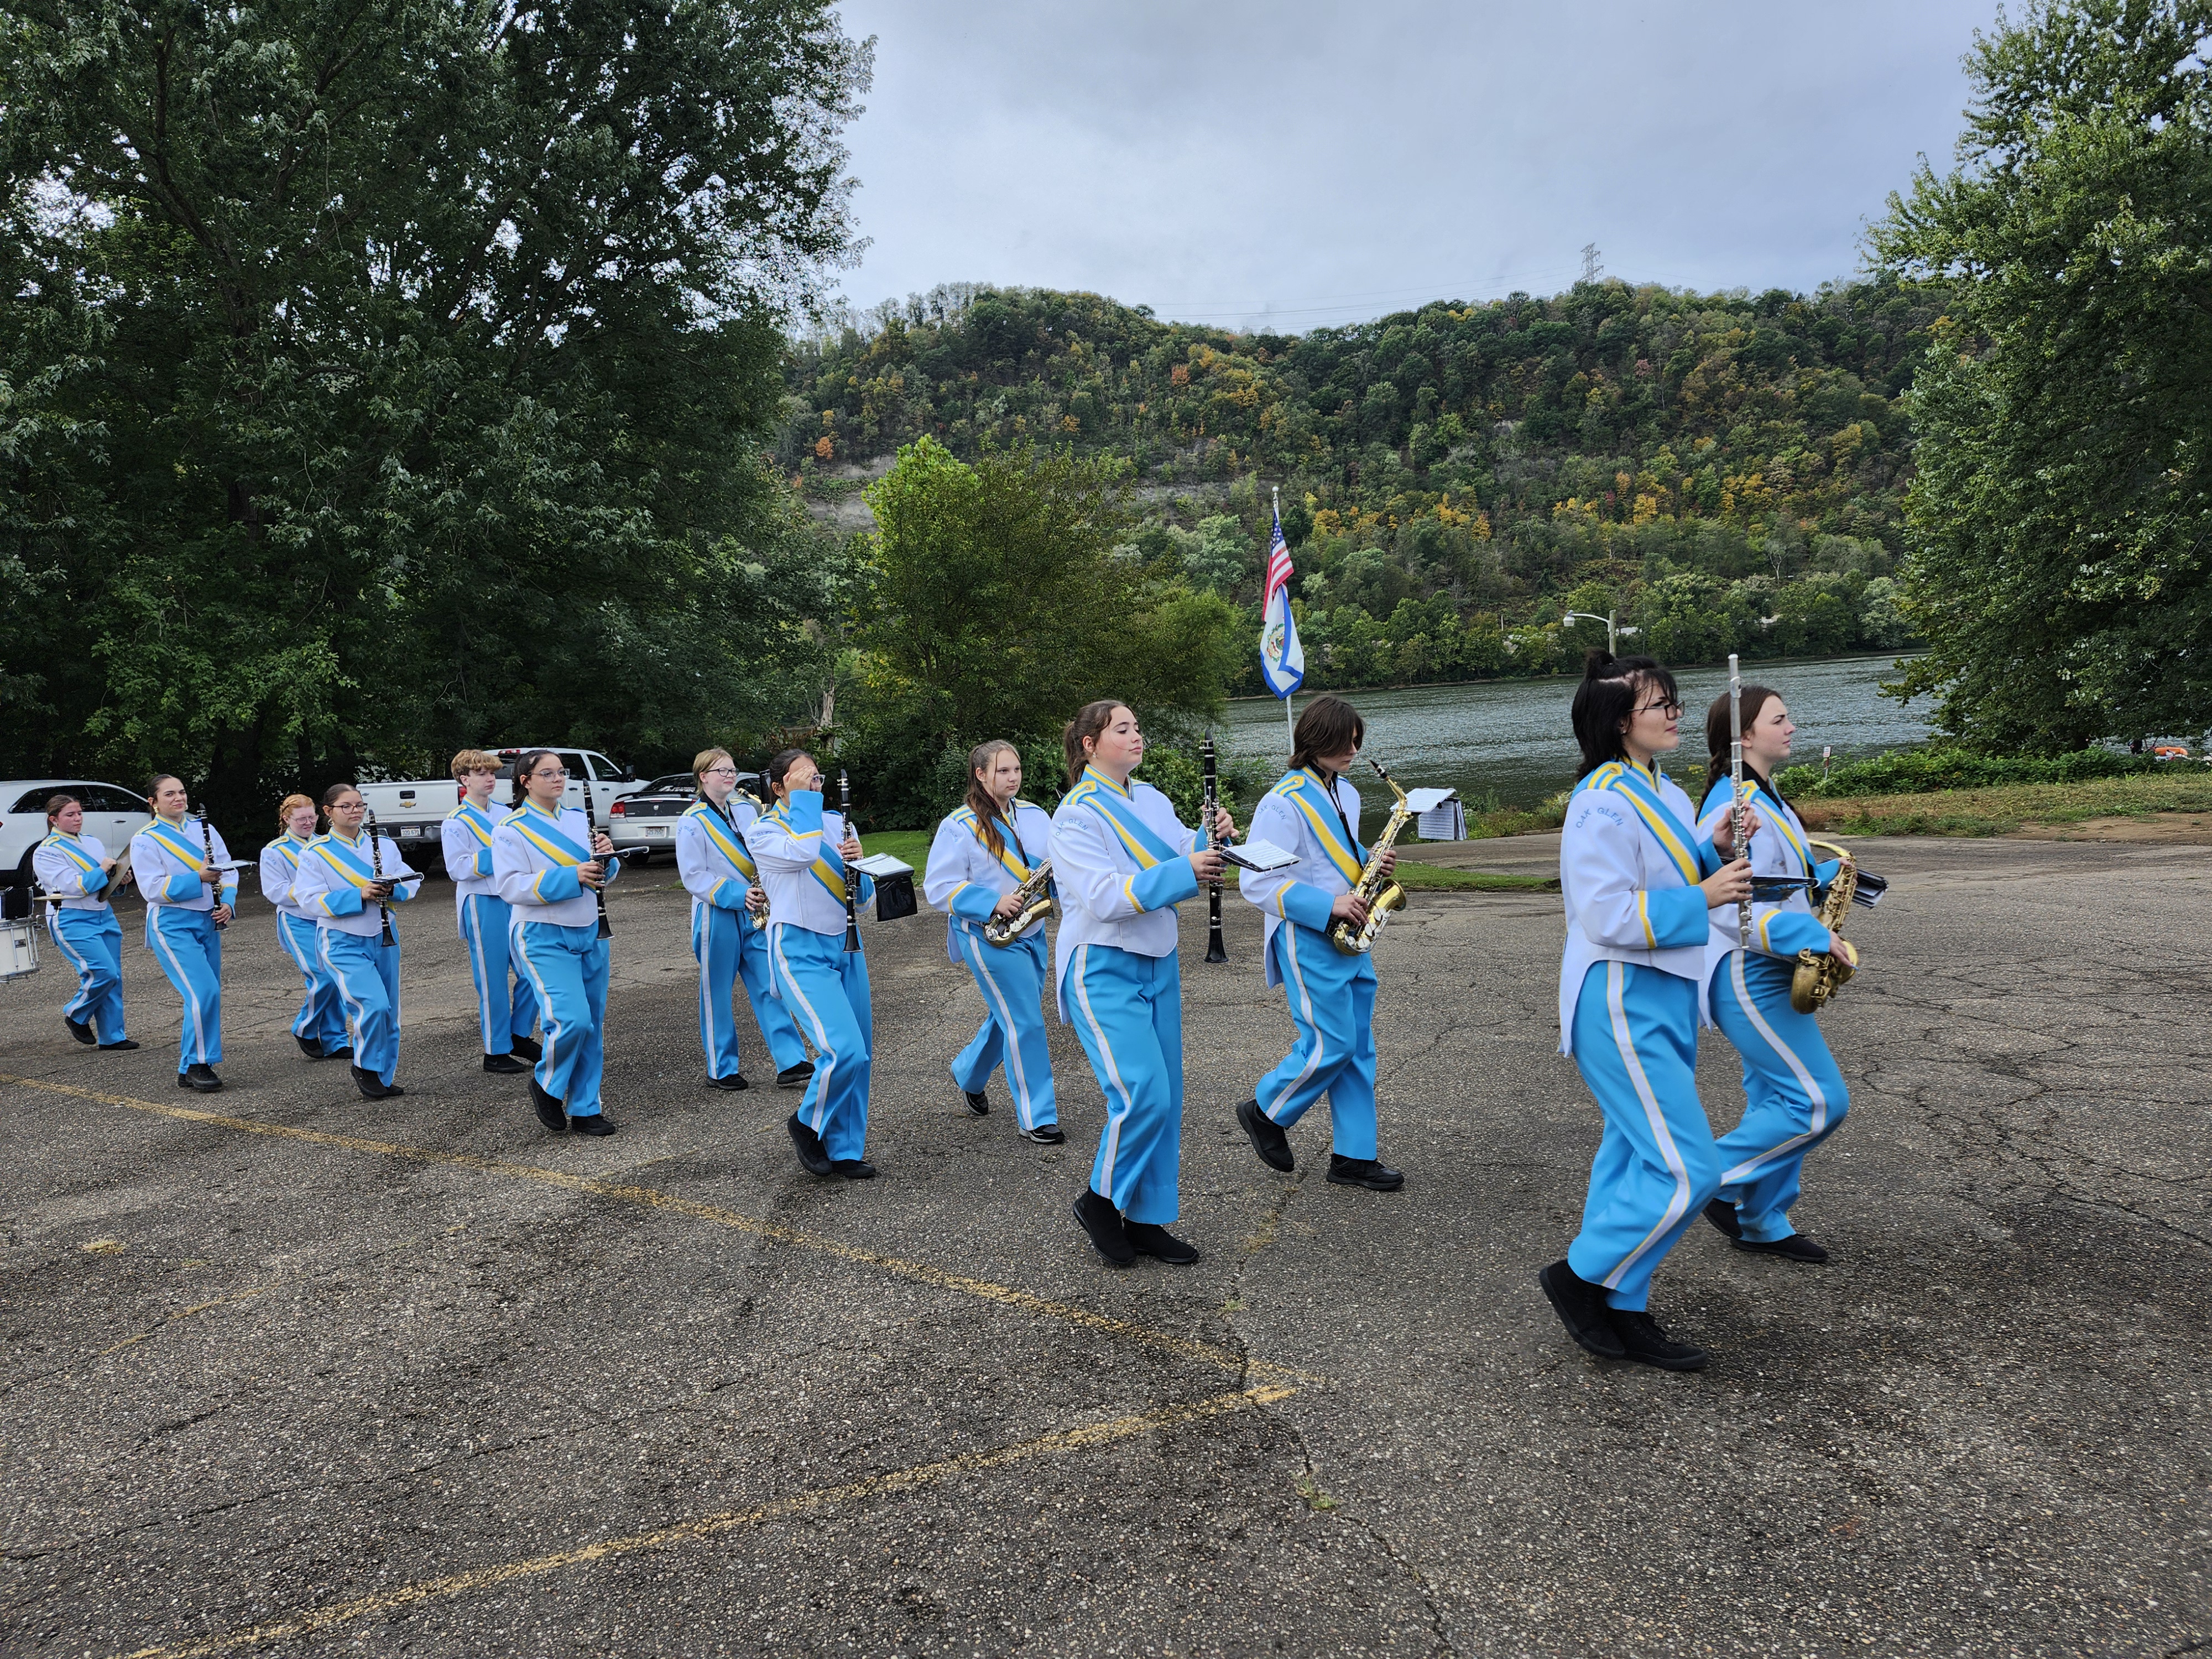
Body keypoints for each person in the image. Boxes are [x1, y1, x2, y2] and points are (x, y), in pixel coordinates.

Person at [1537, 651, 1757, 1373]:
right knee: (1688, 1170)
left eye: (1674, 702)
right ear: (1618, 722)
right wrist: (1705, 894)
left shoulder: (1659, 790)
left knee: (1636, 1160)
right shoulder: (1599, 799)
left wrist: (1711, 848)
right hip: (1619, 996)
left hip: (1663, 992)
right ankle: (1578, 1278)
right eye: (1659, 705)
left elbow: (1664, 866)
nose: (1674, 716)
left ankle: (1624, 1307)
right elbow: (1603, 913)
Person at [1050, 700, 1235, 1269]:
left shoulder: (1149, 797)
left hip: (1158, 960)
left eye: (1137, 727)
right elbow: (1104, 897)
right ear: (1089, 743)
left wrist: (1210, 836)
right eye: (1122, 729)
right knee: (1141, 1094)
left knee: (1168, 1098)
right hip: (1101, 965)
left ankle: (1148, 1218)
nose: (1136, 736)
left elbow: (1180, 845)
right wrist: (1188, 871)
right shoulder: (1074, 815)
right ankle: (1100, 1202)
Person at [1694, 685, 1856, 1265]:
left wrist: (1824, 872)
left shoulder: (1766, 795)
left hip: (1771, 968)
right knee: (1816, 1103)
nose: (1791, 728)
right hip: (1747, 971)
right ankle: (1705, 1180)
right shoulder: (1733, 805)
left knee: (1774, 1098)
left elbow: (1777, 876)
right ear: (1743, 736)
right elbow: (1735, 910)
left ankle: (1761, 1220)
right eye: (1779, 719)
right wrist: (1812, 935)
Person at [1232, 695, 1403, 1191]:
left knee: (1358, 1049)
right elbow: (1257, 884)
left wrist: (1373, 859)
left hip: (1350, 936)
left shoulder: (1344, 790)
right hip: (1309, 936)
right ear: (1315, 740)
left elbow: (1334, 858)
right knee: (1332, 1043)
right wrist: (1328, 906)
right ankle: (1266, 1110)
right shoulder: (1282, 802)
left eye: (1357, 739)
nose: (1353, 748)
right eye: (1344, 740)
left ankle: (1354, 1156)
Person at [923, 739, 1062, 1143]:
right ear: (981, 775)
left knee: (1012, 1016)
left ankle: (969, 1072)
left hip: (1031, 930)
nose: (1013, 777)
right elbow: (939, 887)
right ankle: (1038, 1116)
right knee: (1026, 1022)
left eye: (1016, 769)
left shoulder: (1037, 816)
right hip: (986, 935)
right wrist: (992, 902)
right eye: (1003, 771)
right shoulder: (958, 825)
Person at [747, 749, 877, 1178]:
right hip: (799, 947)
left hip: (845, 944)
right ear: (778, 786)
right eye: (803, 778)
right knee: (843, 1049)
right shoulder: (763, 829)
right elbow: (801, 855)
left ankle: (845, 1149)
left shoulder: (838, 823)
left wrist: (858, 865)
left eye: (817, 777)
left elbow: (864, 897)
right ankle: (807, 1122)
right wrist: (806, 801)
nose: (814, 783)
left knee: (861, 1056)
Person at [494, 749, 620, 1135]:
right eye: (546, 773)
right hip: (541, 933)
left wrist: (608, 859)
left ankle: (586, 1108)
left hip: (590, 930)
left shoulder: (579, 819)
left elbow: (603, 876)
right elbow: (509, 885)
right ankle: (547, 1083)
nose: (557, 779)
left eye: (561, 772)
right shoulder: (510, 828)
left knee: (592, 1026)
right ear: (525, 781)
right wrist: (571, 877)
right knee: (572, 1019)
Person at [676, 748, 812, 1093]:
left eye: (732, 770)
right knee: (717, 993)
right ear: (703, 776)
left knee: (770, 984)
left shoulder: (747, 808)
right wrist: (738, 895)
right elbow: (693, 876)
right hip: (716, 914)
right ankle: (721, 1068)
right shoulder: (691, 820)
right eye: (721, 771)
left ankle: (791, 1060)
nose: (729, 775)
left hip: (755, 911)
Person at [288, 784, 421, 1100]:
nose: (355, 811)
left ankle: (383, 1075)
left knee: (390, 1010)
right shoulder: (314, 852)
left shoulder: (384, 846)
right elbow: (308, 900)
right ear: (328, 812)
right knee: (372, 1004)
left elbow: (410, 879)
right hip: (341, 939)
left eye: (359, 805)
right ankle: (365, 1066)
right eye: (346, 807)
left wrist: (394, 889)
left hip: (384, 934)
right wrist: (358, 894)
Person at [129, 774, 238, 1093]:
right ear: (153, 802)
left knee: (203, 995)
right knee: (204, 992)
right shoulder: (145, 838)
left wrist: (228, 902)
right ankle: (201, 1064)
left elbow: (228, 869)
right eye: (169, 794)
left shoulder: (204, 828)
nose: (179, 798)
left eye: (182, 792)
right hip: (172, 923)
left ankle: (188, 1066)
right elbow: (151, 888)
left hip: (209, 919)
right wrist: (199, 878)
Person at [442, 749, 540, 1076]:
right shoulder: (456, 821)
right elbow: (458, 869)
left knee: (532, 972)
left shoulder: (508, 813)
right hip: (482, 902)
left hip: (515, 899)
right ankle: (495, 1050)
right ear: (464, 779)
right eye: (481, 773)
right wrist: (499, 857)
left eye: (492, 773)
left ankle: (518, 1033)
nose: (489, 779)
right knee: (493, 980)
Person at [34, 792, 137, 1050]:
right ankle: (75, 1013)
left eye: (80, 813)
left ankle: (113, 1036)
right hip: (71, 916)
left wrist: (120, 880)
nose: (78, 818)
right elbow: (72, 886)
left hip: (103, 913)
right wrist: (103, 870)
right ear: (54, 820)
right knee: (103, 972)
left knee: (115, 978)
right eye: (70, 815)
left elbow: (103, 885)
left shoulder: (92, 842)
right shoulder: (46, 852)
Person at [260, 794, 350, 1062]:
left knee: (336, 977)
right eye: (302, 819)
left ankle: (335, 1040)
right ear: (287, 819)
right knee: (323, 977)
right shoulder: (274, 850)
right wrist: (311, 892)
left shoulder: (325, 845)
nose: (309, 822)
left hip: (327, 918)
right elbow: (274, 891)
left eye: (312, 817)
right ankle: (305, 1027)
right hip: (297, 919)